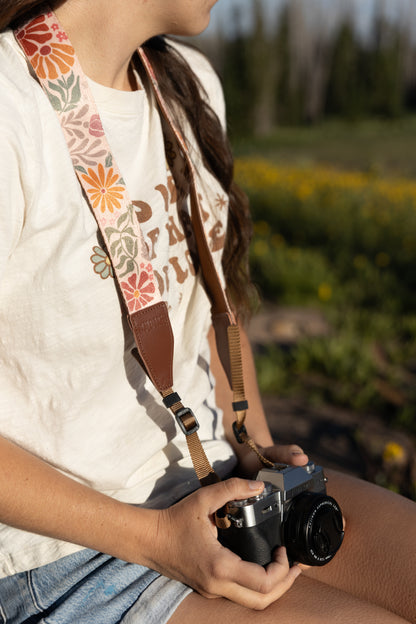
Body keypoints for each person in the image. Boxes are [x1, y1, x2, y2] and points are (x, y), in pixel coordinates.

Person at [0, 1, 415, 622]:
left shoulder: (187, 86)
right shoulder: (12, 110)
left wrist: (258, 449)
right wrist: (158, 540)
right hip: (73, 555)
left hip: (218, 486)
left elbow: (205, 303)